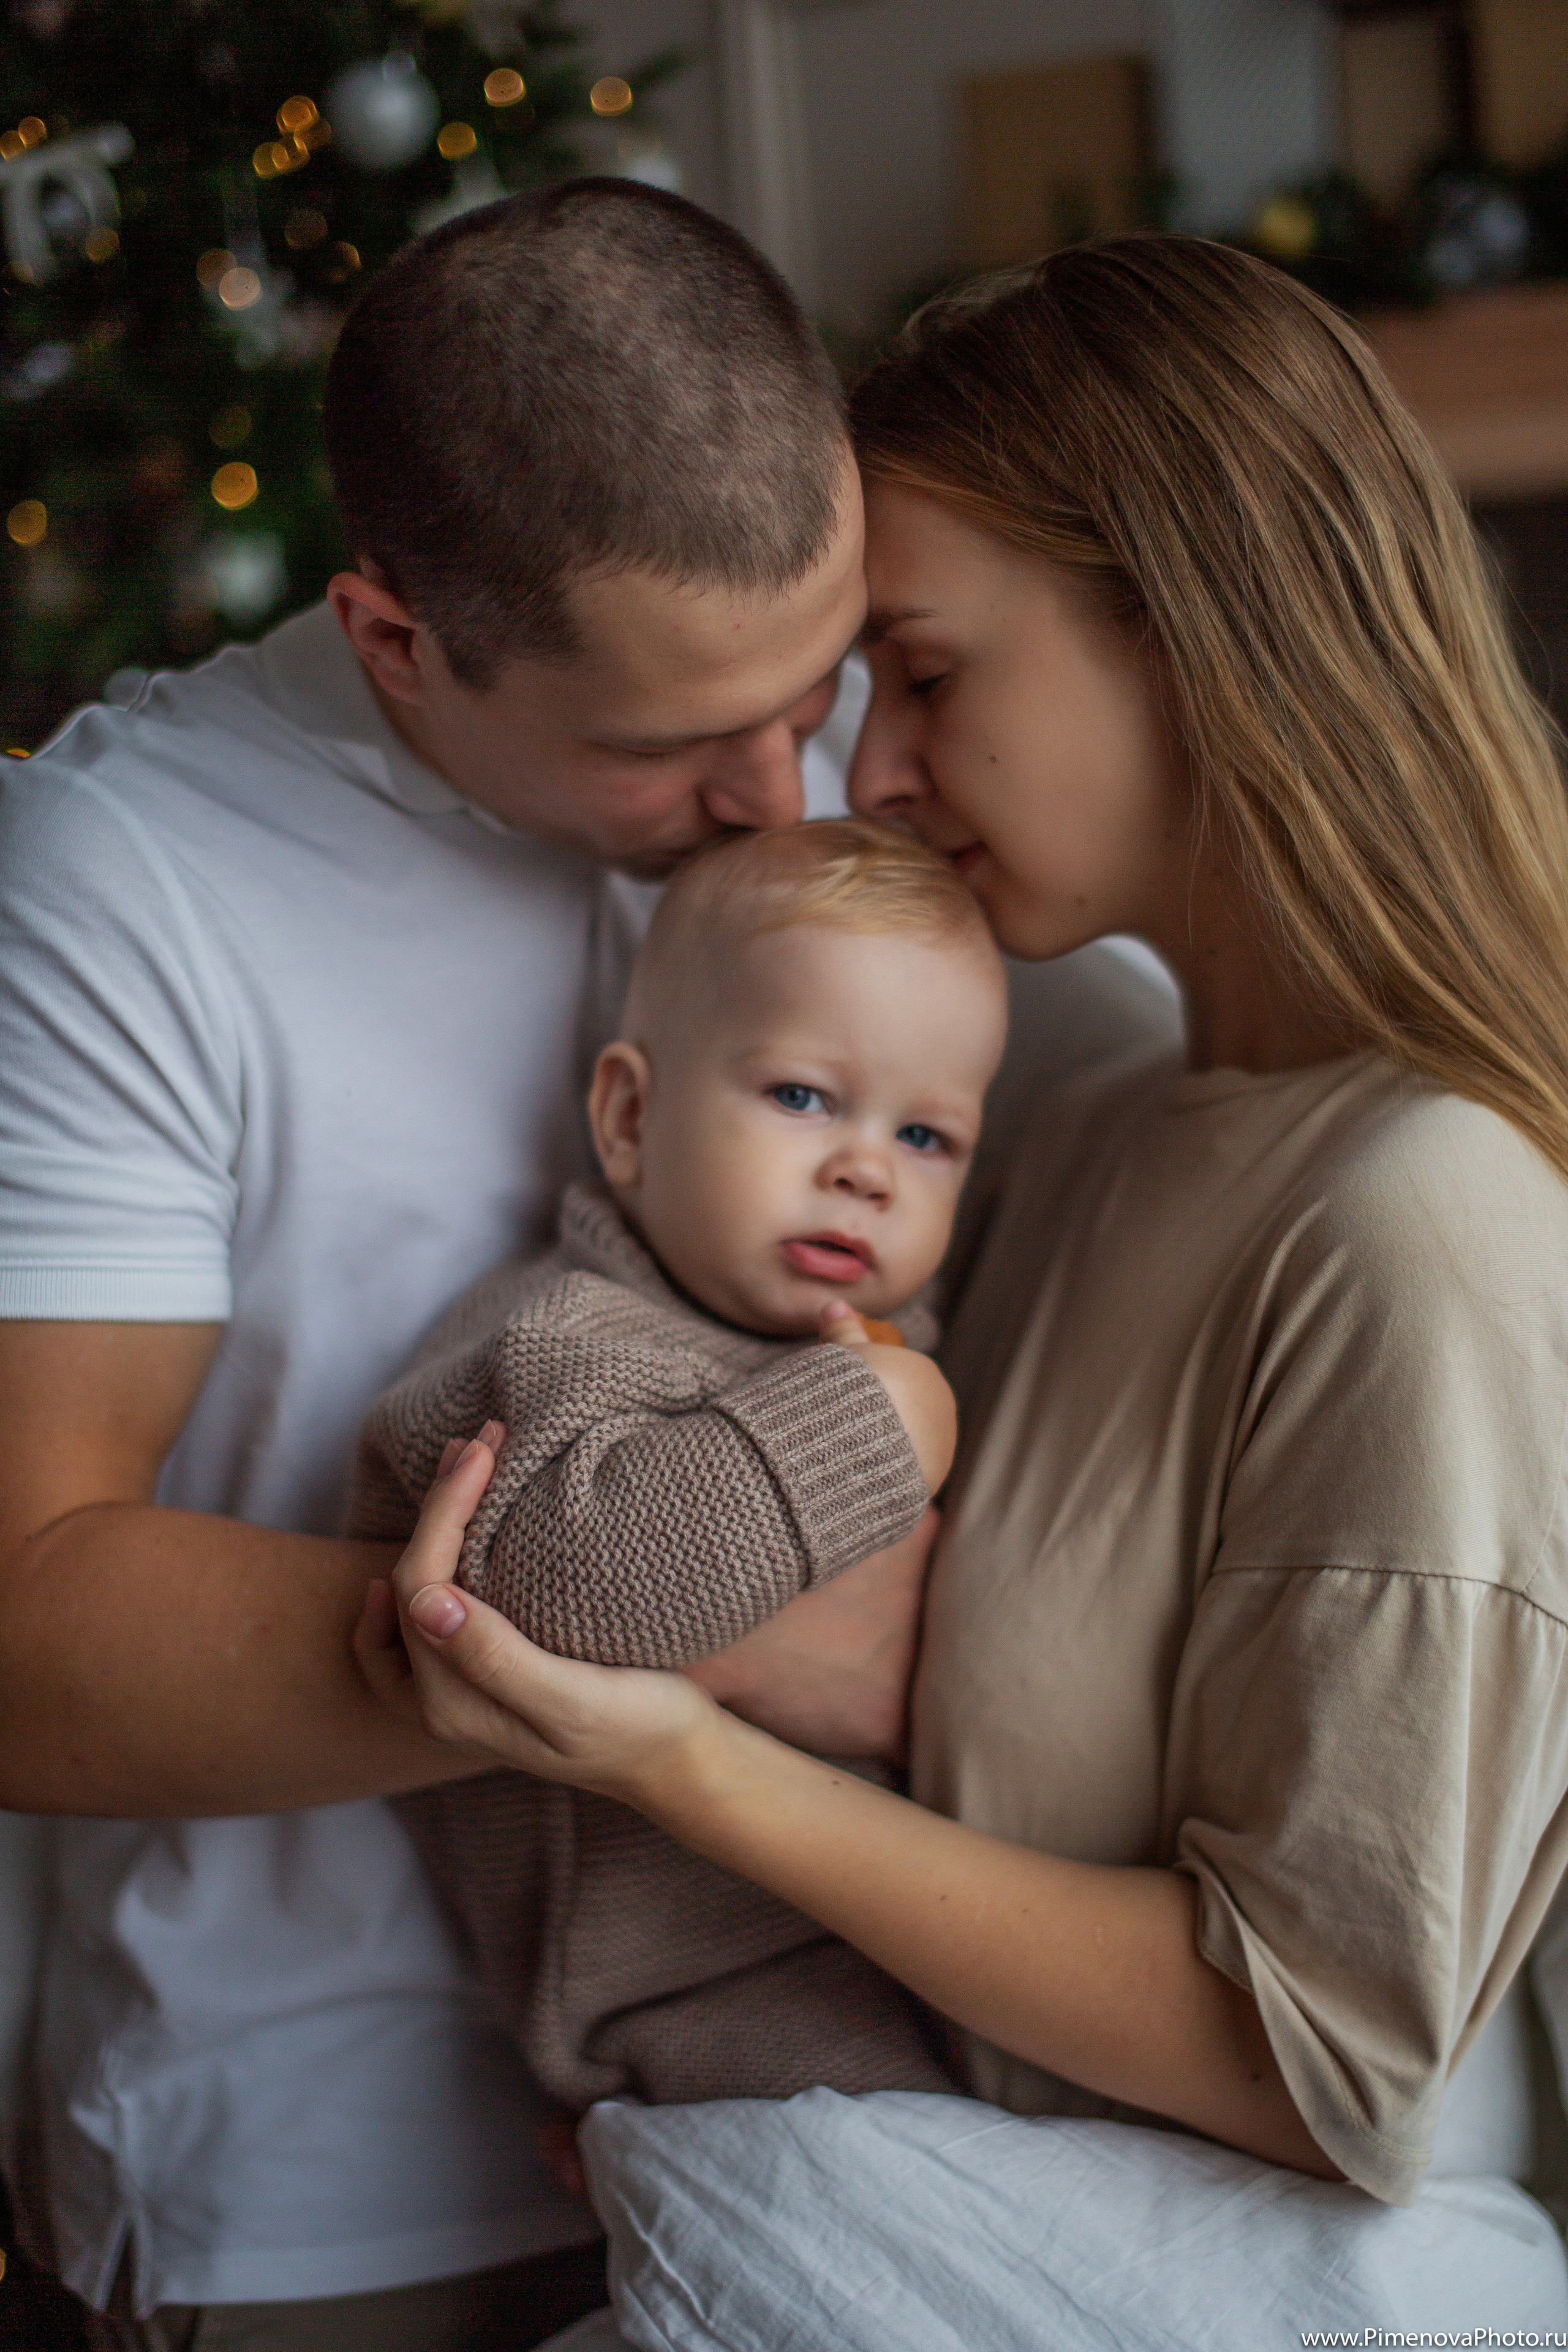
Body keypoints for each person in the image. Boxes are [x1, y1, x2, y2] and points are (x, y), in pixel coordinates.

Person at [375, 234, 1568, 2342]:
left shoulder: (1420, 1216)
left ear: (1192, 630)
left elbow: (1321, 2065)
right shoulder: (1090, 1124)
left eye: (922, 678)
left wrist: (675, 1763)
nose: (875, 778)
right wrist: (740, 2075)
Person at [0, 180, 1050, 2352]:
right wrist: (692, 1617)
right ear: (397, 640)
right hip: (341, 2184)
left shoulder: (846, 762)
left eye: (819, 688)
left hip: (820, 2093)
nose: (785, 796)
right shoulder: (122, 892)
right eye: (667, 746)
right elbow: (21, 1627)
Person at [350, 821, 1006, 2119]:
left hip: (896, 1948)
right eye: (802, 1097)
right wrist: (875, 1420)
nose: (865, 1168)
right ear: (631, 1116)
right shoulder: (565, 1336)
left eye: (927, 1136)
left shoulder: (864, 1349)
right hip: (693, 2009)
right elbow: (567, 1590)